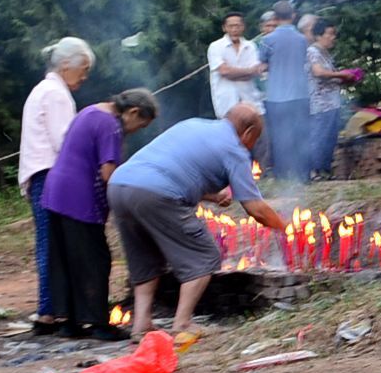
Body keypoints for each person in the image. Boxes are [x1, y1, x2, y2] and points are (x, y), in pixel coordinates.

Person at [109, 102, 285, 346]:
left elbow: (171, 167)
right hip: (155, 193)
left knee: (146, 257)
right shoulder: (235, 150)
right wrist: (284, 227)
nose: (253, 145)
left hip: (119, 186)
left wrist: (211, 196)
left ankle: (141, 324)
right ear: (247, 132)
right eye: (255, 138)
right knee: (203, 255)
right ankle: (182, 324)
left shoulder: (193, 124)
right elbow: (254, 208)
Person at [42, 87, 160, 340]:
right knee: (96, 259)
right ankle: (97, 323)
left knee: (65, 258)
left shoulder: (91, 110)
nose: (136, 130)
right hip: (78, 196)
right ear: (133, 111)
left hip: (55, 191)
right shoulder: (111, 125)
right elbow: (109, 173)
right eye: (140, 124)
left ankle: (68, 321)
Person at [22, 37, 94, 334]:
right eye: (84, 68)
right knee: (53, 243)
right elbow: (66, 141)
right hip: (51, 175)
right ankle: (50, 310)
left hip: (43, 175)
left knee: (50, 242)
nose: (85, 76)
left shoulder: (46, 90)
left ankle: (51, 309)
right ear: (66, 65)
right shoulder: (55, 93)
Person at [259, 1, 311, 183]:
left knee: (280, 137)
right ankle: (303, 175)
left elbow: (262, 66)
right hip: (300, 94)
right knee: (301, 135)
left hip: (277, 96)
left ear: (274, 17)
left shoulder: (267, 40)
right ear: (294, 15)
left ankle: (282, 176)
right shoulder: (302, 39)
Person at [302, 14, 358, 180]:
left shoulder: (324, 53)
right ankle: (315, 172)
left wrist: (347, 78)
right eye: (330, 34)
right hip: (320, 104)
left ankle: (325, 171)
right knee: (320, 136)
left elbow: (330, 77)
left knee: (330, 138)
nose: (334, 38)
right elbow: (318, 72)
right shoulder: (312, 51)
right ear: (319, 35)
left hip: (331, 103)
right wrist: (342, 74)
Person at [208, 12, 263, 119]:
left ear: (243, 27)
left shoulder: (250, 46)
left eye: (237, 26)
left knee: (259, 134)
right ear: (224, 28)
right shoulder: (215, 47)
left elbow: (255, 71)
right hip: (227, 104)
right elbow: (224, 72)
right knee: (229, 135)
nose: (234, 29)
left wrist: (233, 73)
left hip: (250, 101)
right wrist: (248, 71)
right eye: (231, 26)